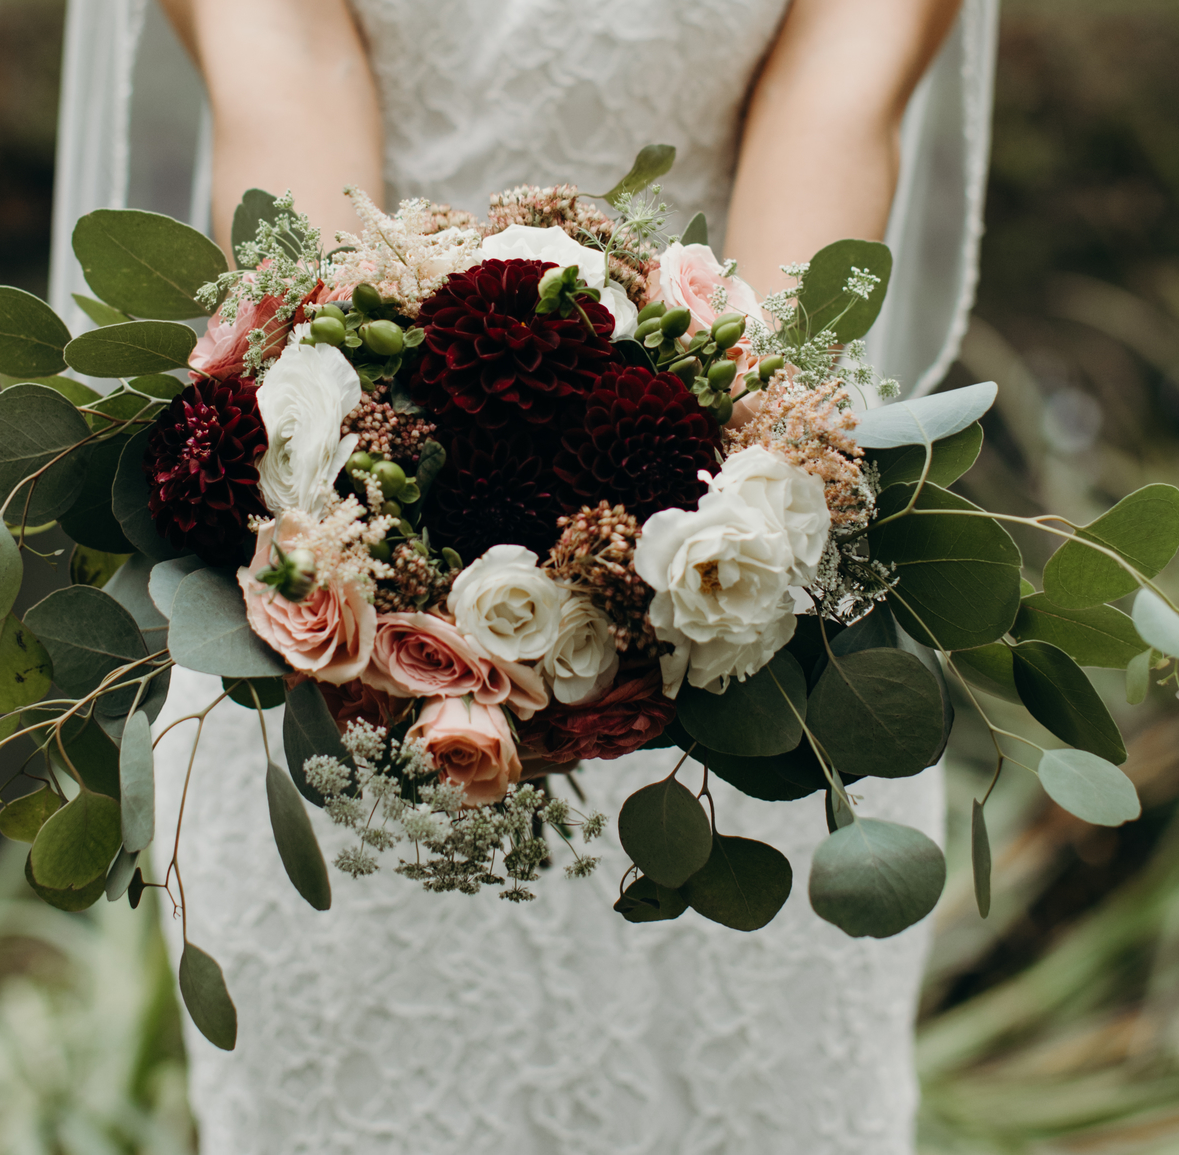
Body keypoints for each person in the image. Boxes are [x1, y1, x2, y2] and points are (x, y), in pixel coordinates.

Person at [49, 2, 997, 1151]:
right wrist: (362, 511)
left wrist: (742, 475)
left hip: (735, 615)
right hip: (353, 640)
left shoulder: (733, 524)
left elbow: (831, 106)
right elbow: (287, 69)